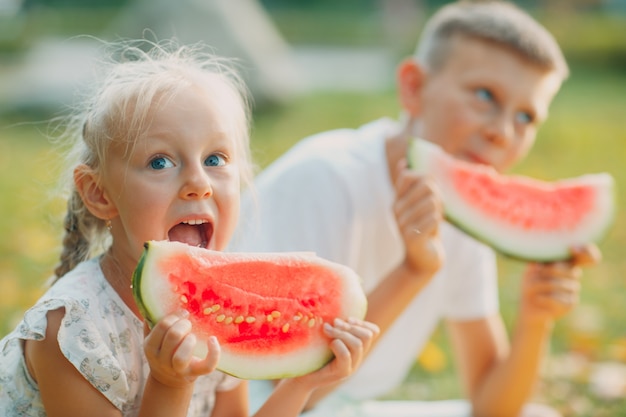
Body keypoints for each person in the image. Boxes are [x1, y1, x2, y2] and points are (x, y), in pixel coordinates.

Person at [229, 1, 600, 417]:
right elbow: (296, 389)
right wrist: (414, 269)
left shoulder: (462, 213)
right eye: (485, 96)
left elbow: (493, 406)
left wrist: (536, 319)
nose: (501, 132)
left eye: (526, 117)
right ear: (413, 87)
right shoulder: (323, 180)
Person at [0, 39, 379, 417]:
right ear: (100, 194)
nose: (200, 183)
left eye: (215, 158)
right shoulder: (69, 332)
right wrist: (170, 384)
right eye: (160, 162)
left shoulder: (224, 309)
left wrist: (302, 380)